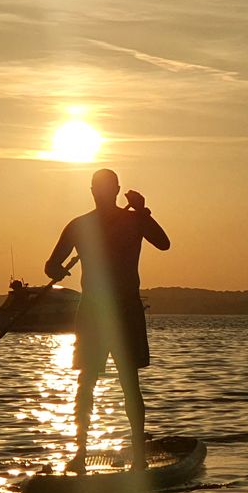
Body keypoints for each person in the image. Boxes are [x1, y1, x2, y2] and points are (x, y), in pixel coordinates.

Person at [45, 168, 170, 472]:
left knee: (129, 382)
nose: (100, 192)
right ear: (91, 191)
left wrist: (143, 212)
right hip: (93, 311)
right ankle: (80, 454)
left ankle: (138, 455)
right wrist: (55, 270)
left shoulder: (134, 220)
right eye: (97, 188)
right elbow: (51, 264)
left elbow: (163, 243)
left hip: (126, 311)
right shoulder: (79, 225)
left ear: (116, 190)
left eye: (106, 187)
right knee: (86, 382)